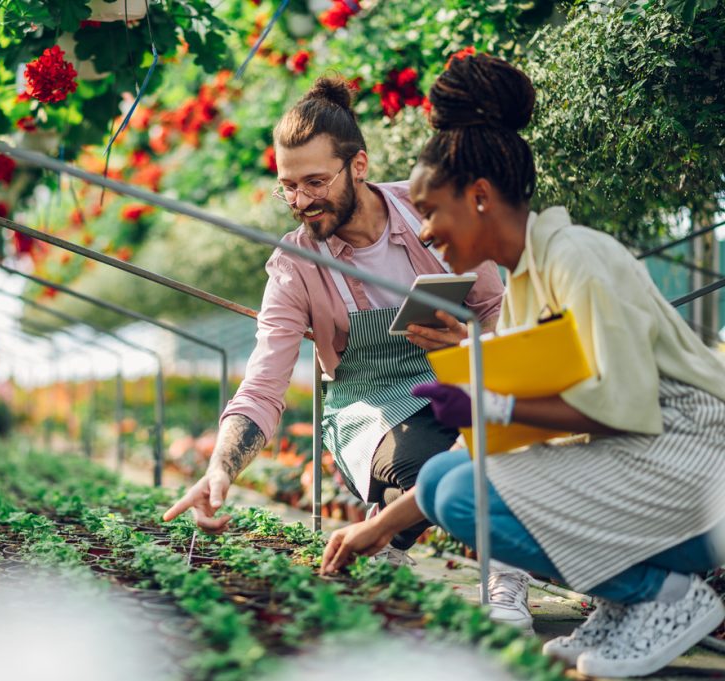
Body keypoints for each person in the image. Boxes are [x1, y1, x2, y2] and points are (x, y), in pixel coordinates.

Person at [319, 53, 725, 678]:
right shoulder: (527, 287)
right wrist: (380, 528)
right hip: (655, 474)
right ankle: (632, 598)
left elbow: (626, 409)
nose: (424, 234)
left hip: (699, 472)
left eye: (430, 211)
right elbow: (499, 445)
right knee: (447, 485)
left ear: (479, 197)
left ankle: (663, 596)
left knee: (463, 493)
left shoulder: (577, 257)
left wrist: (495, 404)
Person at [161, 76, 534, 627]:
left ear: (358, 166)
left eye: (315, 181)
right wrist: (221, 468)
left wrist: (471, 344)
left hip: (460, 372)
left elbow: (492, 304)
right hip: (371, 404)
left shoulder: (426, 208)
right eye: (287, 187)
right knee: (416, 466)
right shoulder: (293, 266)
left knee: (511, 439)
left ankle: (503, 573)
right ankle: (392, 529)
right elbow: (264, 383)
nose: (301, 201)